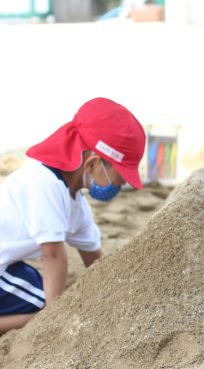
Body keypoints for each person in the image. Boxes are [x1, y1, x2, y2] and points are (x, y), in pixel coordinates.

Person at [0, 98, 146, 334]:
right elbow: (54, 257)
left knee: (40, 288)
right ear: (92, 164)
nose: (119, 187)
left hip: (7, 264)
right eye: (120, 180)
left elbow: (96, 261)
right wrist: (56, 320)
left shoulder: (76, 202)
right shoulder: (43, 183)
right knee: (44, 305)